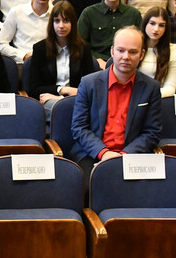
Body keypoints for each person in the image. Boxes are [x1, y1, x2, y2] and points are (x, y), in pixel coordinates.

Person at [69, 27, 163, 180]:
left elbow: (152, 132)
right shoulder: (89, 83)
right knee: (90, 187)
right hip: (92, 153)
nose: (126, 57)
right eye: (121, 50)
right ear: (112, 52)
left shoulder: (151, 87)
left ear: (142, 55)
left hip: (132, 155)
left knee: (146, 192)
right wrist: (104, 153)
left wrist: (124, 155)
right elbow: (79, 128)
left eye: (133, 52)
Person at [27, 0, 96, 118]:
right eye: (57, 21)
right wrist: (62, 90)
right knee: (60, 109)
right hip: (49, 102)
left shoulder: (84, 48)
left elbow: (90, 87)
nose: (61, 26)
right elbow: (33, 89)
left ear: (73, 23)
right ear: (51, 23)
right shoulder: (40, 48)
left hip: (76, 100)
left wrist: (68, 95)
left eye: (66, 21)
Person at [76, 0, 143, 65]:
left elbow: (140, 44)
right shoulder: (89, 13)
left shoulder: (133, 14)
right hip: (96, 64)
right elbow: (79, 44)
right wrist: (95, 60)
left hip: (126, 62)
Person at [0, 0, 54, 66]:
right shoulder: (17, 12)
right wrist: (24, 55)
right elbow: (0, 44)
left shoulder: (56, 14)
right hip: (23, 63)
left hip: (49, 63)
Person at [139, 7, 176, 97]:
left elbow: (170, 88)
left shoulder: (174, 52)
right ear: (145, 24)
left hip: (158, 99)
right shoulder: (133, 47)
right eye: (152, 23)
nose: (156, 29)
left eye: (161, 25)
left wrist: (148, 97)